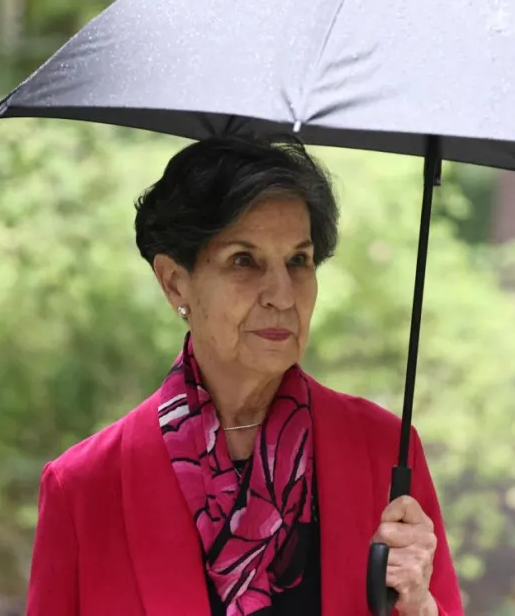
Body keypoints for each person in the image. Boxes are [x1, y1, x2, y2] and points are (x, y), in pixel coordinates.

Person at [25, 135, 463, 616]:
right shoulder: (84, 488)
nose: (282, 295)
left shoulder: (384, 453)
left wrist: (419, 605)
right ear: (174, 282)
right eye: (243, 260)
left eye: (298, 260)